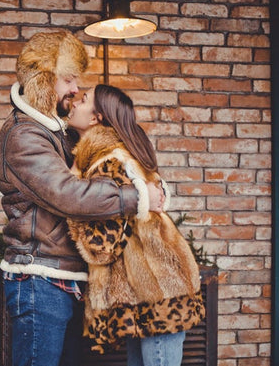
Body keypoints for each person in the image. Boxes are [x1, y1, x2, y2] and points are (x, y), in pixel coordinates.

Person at [0, 31, 165, 366]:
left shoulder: (59, 132)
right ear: (45, 80)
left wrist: (151, 183)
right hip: (39, 280)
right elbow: (69, 195)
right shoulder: (24, 134)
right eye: (69, 79)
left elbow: (117, 149)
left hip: (66, 280)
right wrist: (138, 197)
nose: (75, 90)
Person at [66, 84, 205, 365]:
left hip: (155, 298)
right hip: (152, 296)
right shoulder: (118, 157)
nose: (73, 104)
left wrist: (71, 209)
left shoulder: (107, 164)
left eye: (82, 100)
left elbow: (101, 247)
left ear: (96, 118)